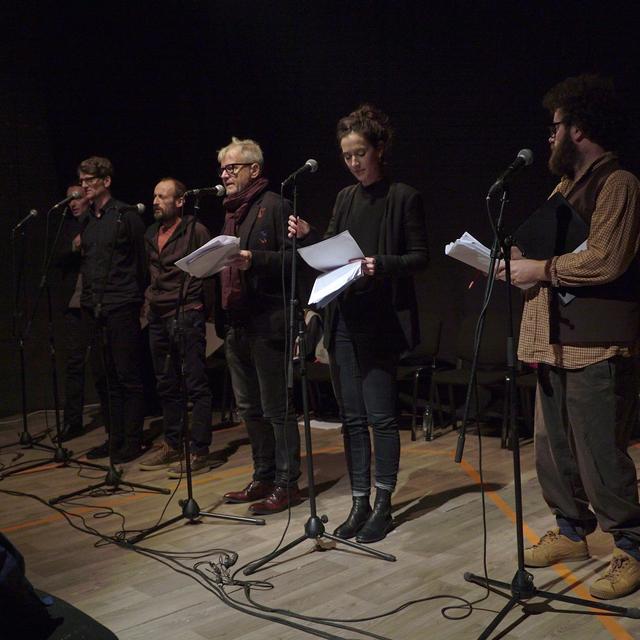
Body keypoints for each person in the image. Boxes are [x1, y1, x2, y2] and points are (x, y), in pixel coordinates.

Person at [496, 74, 640, 600]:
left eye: (555, 126)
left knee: (601, 454)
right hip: (550, 339)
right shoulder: (564, 188)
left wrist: (541, 269)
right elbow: (543, 254)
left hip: (595, 339)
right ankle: (573, 532)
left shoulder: (618, 183)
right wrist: (513, 264)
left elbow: (606, 258)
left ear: (578, 128)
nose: (548, 136)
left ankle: (632, 546)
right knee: (552, 451)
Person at [289, 105, 429, 543]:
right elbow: (333, 248)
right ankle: (359, 502)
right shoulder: (345, 197)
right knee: (351, 418)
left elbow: (420, 257)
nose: (353, 163)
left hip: (381, 320)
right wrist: (311, 235)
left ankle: (384, 504)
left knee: (381, 418)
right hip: (344, 319)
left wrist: (377, 265)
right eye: (347, 156)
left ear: (379, 148)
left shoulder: (403, 196)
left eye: (360, 153)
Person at [216, 137, 304, 515]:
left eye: (231, 167)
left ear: (254, 169)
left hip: (269, 322)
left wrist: (256, 259)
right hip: (237, 323)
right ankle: (263, 475)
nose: (224, 174)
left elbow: (296, 261)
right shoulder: (230, 213)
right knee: (249, 408)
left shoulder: (275, 205)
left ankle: (287, 483)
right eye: (222, 168)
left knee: (275, 408)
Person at [138, 177, 215, 477]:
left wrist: (202, 309)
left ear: (180, 201)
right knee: (165, 383)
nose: (155, 201)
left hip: (186, 312)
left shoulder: (194, 229)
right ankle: (172, 444)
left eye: (162, 196)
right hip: (157, 314)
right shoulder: (150, 233)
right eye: (154, 196)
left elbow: (209, 272)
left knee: (195, 383)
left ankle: (200, 450)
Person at [78, 156, 147, 463]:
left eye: (88, 180)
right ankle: (113, 437)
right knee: (103, 377)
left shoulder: (125, 216)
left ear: (105, 181)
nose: (83, 186)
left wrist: (137, 299)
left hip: (122, 304)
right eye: (81, 181)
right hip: (94, 307)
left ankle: (132, 440)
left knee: (127, 375)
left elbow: (140, 262)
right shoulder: (89, 220)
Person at [52, 184, 91, 442]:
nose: (72, 203)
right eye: (69, 200)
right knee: (74, 365)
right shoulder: (65, 228)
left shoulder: (101, 221)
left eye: (76, 197)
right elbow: (56, 256)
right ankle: (72, 422)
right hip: (75, 306)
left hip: (101, 301)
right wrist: (76, 246)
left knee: (109, 365)